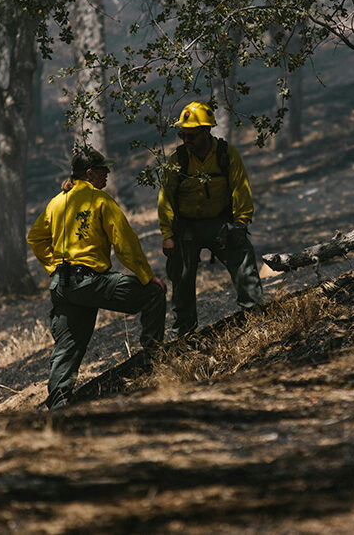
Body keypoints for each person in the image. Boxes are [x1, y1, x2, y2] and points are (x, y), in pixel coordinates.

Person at [27, 147, 166, 410]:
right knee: (154, 294)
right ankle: (154, 357)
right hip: (90, 282)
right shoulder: (100, 200)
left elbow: (35, 238)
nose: (108, 173)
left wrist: (53, 267)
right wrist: (147, 277)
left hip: (62, 286)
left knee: (67, 346)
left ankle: (58, 408)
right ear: (90, 174)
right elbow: (126, 245)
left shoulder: (56, 203)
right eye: (104, 170)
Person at [158, 101, 264, 336]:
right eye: (182, 134)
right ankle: (184, 332)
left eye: (191, 135)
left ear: (207, 131)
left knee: (243, 257)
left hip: (219, 224)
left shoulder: (227, 155)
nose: (186, 140)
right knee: (181, 276)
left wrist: (240, 224)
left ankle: (255, 315)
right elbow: (165, 199)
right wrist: (168, 236)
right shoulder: (178, 160)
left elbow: (241, 190)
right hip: (185, 227)